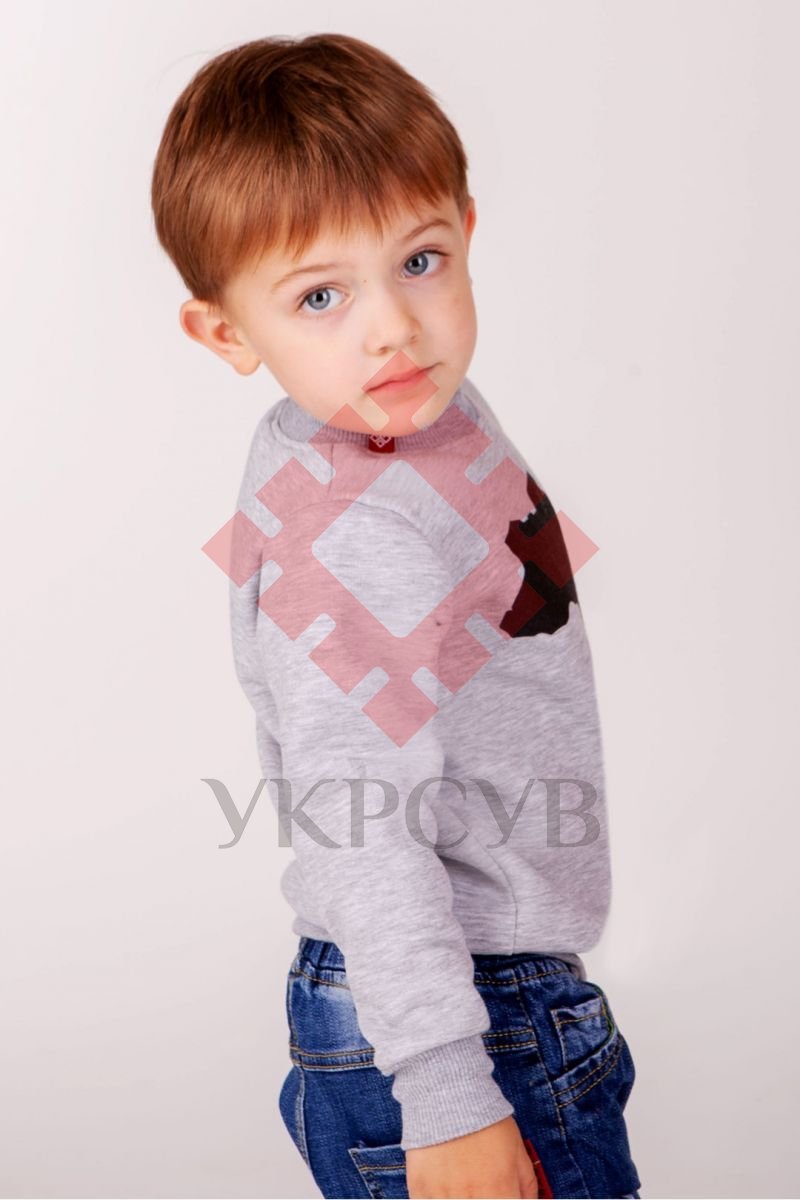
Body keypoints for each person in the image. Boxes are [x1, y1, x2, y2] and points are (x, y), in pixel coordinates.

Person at [151, 32, 642, 1200]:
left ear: (464, 231)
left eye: (418, 262)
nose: (391, 327)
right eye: (319, 295)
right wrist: (446, 1092)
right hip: (462, 1013)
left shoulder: (406, 416)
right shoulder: (355, 524)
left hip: (469, 985)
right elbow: (356, 819)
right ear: (226, 332)